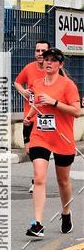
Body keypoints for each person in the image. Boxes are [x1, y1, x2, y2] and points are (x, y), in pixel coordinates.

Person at [23, 47, 80, 237]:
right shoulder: (37, 83)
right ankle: (37, 224)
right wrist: (29, 117)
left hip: (62, 138)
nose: (48, 62)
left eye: (53, 60)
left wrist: (54, 102)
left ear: (60, 64)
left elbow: (77, 111)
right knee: (39, 177)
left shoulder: (68, 85)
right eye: (46, 59)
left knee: (63, 181)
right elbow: (37, 103)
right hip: (40, 137)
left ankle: (66, 212)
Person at [14, 40, 50, 192]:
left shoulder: (52, 69)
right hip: (29, 117)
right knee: (29, 150)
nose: (40, 54)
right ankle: (39, 176)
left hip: (45, 118)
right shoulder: (29, 68)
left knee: (42, 149)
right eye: (38, 50)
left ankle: (38, 180)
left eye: (43, 51)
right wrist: (23, 91)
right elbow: (17, 82)